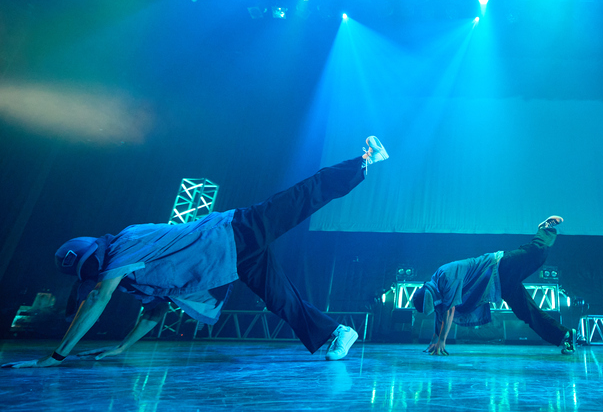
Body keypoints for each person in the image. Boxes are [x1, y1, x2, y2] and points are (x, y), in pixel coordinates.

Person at [2, 136, 389, 369]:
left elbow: (96, 301)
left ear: (96, 255)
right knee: (281, 300)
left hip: (236, 229)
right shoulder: (135, 277)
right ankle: (339, 332)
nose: (98, 278)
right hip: (231, 259)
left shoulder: (123, 246)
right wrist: (121, 347)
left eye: (94, 270)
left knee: (303, 196)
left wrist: (56, 356)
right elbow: (154, 312)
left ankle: (364, 160)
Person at [412, 216, 576, 356]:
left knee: (536, 254)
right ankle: (566, 336)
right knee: (528, 314)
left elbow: (449, 311)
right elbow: (440, 312)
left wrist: (442, 341)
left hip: (500, 266)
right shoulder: (435, 289)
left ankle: (544, 229)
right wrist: (434, 340)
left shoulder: (445, 276)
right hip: (499, 285)